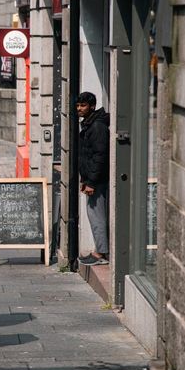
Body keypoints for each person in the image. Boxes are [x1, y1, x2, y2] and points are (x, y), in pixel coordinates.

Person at [76, 92, 110, 266]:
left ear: (92, 106)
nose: (79, 109)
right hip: (92, 179)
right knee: (94, 214)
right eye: (78, 106)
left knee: (96, 215)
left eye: (83, 106)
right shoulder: (90, 124)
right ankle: (100, 250)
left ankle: (101, 253)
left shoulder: (96, 127)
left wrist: (91, 182)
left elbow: (99, 156)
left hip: (97, 181)